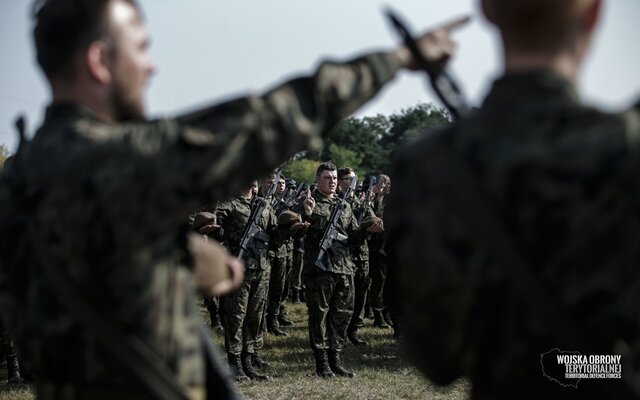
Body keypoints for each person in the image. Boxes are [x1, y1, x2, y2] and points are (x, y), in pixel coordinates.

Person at [0, 0, 466, 398]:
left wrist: (176, 258)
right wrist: (398, 58)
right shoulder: (121, 162)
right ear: (100, 61)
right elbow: (274, 118)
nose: (151, 66)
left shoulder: (21, 180)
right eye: (141, 48)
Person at [387, 0, 640, 398]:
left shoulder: (427, 164)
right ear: (593, 14)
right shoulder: (626, 148)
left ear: (488, 12)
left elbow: (437, 357)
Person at [301, 163, 383, 378]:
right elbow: (300, 231)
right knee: (319, 315)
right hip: (320, 269)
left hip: (344, 267)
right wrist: (308, 214)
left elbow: (353, 235)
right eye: (327, 178)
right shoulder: (309, 203)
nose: (332, 181)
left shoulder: (344, 205)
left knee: (341, 315)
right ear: (317, 180)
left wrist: (367, 230)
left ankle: (335, 359)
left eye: (335, 178)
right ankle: (322, 364)